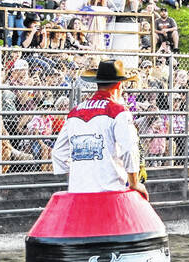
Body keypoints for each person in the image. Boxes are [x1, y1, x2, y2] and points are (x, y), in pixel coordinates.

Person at [50, 60, 148, 199]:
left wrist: (79, 175)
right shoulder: (118, 112)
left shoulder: (75, 112)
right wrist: (134, 183)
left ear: (98, 83)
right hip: (110, 191)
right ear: (119, 86)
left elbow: (58, 153)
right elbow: (129, 149)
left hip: (78, 192)